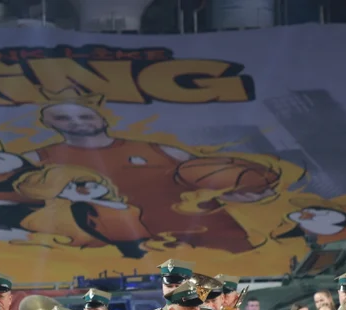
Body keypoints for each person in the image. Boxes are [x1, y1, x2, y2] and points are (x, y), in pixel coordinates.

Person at [23, 98, 274, 254]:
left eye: (85, 115)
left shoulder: (161, 150)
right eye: (63, 117)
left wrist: (247, 192)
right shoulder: (37, 158)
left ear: (101, 118)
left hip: (213, 238)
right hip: (131, 250)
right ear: (49, 123)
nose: (76, 122)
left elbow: (221, 182)